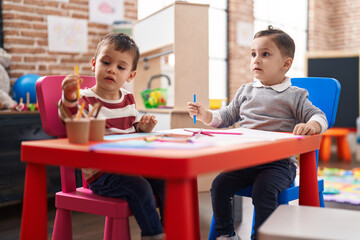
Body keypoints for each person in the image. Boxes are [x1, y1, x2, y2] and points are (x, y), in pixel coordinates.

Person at [187, 26, 328, 240]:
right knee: (219, 185)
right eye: (253, 54)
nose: (256, 60)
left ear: (286, 64)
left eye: (265, 54)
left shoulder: (294, 95)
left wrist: (312, 126)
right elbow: (226, 116)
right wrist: (206, 114)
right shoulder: (246, 91)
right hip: (245, 160)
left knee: (263, 191)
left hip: (278, 164)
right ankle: (226, 234)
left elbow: (319, 116)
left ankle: (260, 236)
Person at [60, 32, 165, 240]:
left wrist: (143, 128)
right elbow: (69, 118)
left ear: (131, 75)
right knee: (140, 187)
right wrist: (70, 98)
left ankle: (169, 229)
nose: (111, 69)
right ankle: (154, 235)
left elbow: (132, 131)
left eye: (121, 67)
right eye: (106, 62)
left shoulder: (128, 98)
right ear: (93, 63)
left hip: (131, 166)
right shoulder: (86, 98)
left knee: (167, 180)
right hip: (101, 174)